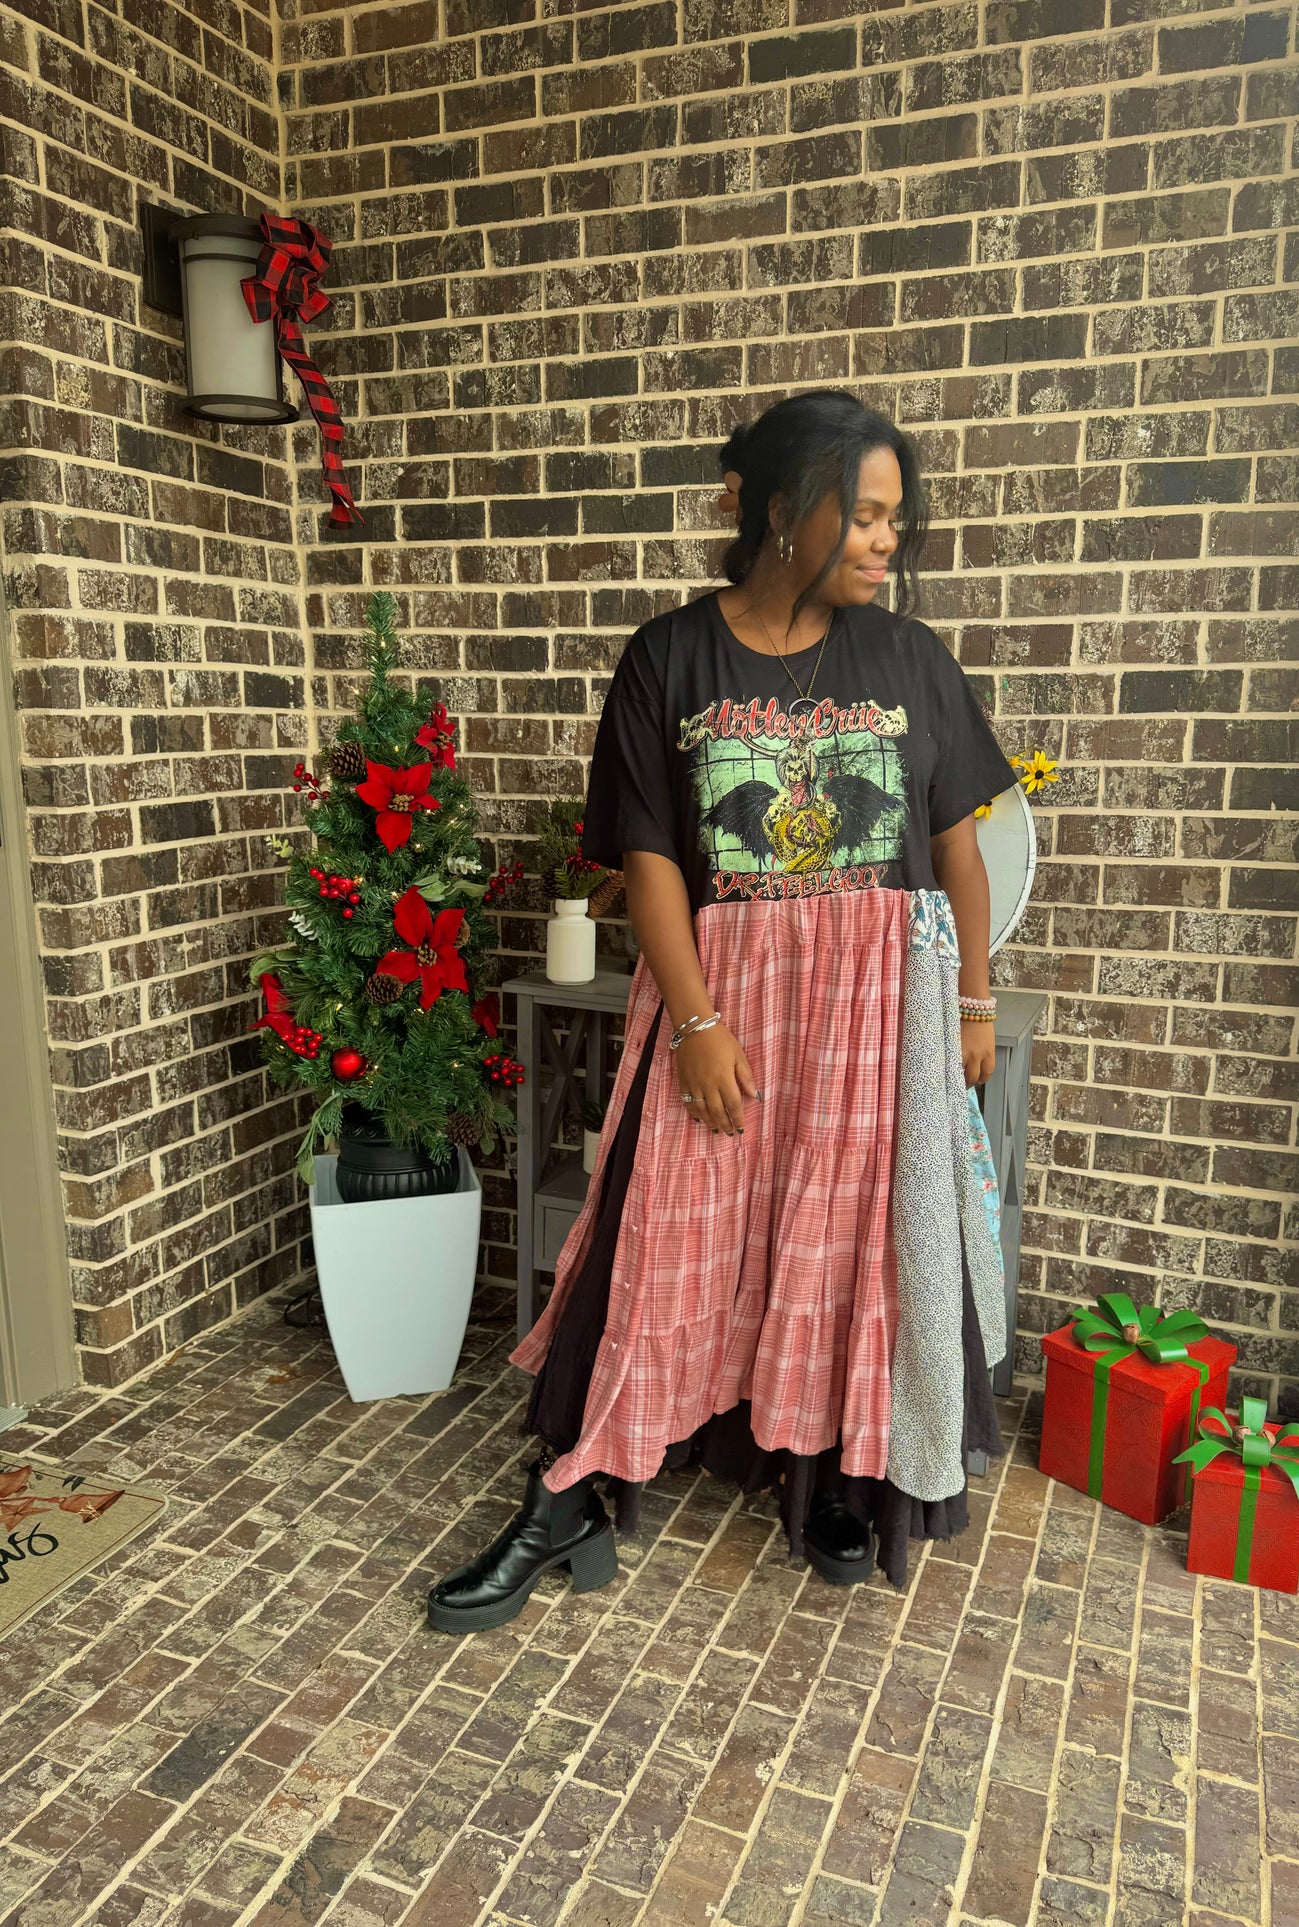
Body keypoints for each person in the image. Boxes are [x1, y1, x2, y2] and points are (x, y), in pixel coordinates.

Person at [427, 390, 1017, 1634]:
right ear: (781, 511)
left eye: (893, 520)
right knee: (666, 1242)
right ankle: (573, 1492)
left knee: (850, 1247)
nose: (884, 541)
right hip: (728, 1003)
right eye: (862, 516)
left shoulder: (909, 658)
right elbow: (649, 860)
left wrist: (972, 1000)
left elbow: (957, 848)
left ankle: (838, 1474)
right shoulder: (668, 658)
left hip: (873, 1016)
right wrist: (694, 1023)